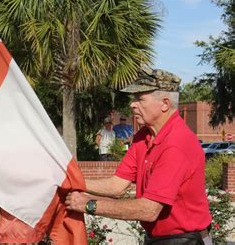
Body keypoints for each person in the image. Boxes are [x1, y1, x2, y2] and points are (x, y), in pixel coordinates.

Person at [65, 66, 212, 244]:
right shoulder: (144, 136)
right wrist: (71, 181)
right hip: (158, 238)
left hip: (185, 240)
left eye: (140, 98)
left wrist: (88, 204)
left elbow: (148, 210)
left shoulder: (177, 143)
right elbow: (116, 185)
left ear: (165, 104)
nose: (132, 104)